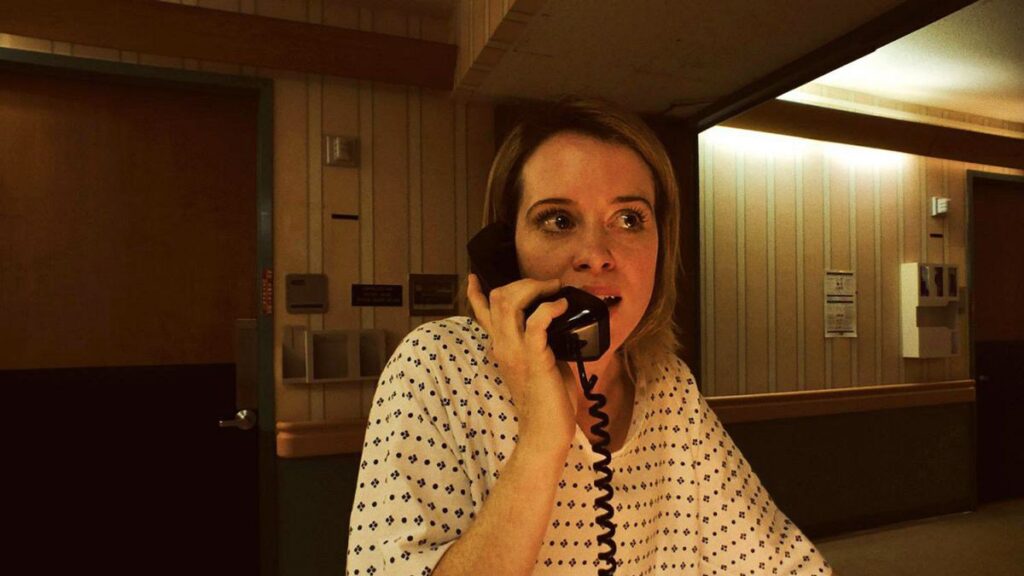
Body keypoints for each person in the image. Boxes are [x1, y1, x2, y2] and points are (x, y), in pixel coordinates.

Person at [346, 98, 832, 575]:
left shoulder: (667, 386)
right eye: (558, 220)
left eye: (629, 219)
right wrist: (542, 439)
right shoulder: (437, 365)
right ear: (504, 248)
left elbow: (785, 563)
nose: (596, 254)